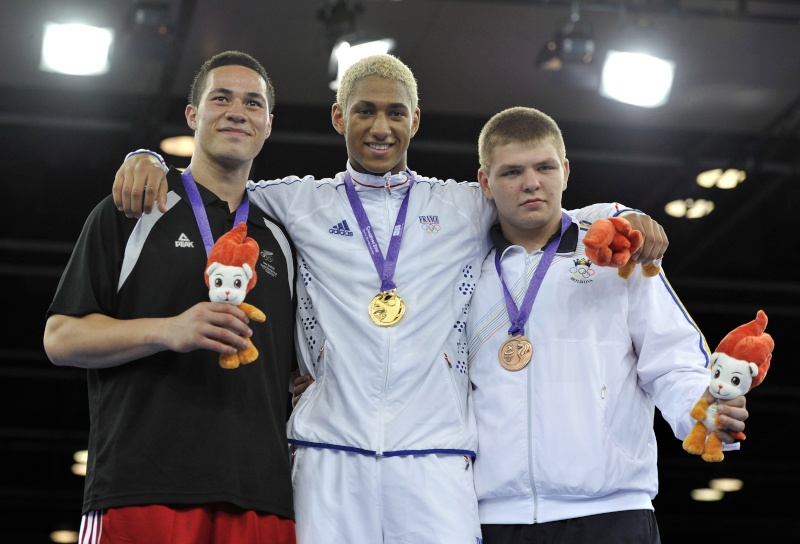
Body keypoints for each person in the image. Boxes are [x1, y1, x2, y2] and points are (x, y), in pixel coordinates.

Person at [111, 54, 669, 543]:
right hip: (330, 455)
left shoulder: (461, 206)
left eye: (395, 112)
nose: (381, 126)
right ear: (339, 118)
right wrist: (150, 158)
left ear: (415, 121)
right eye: (364, 111)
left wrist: (616, 216)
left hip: (436, 460)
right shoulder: (297, 202)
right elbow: (215, 184)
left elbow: (542, 205)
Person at [43, 51, 297, 543]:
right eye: (220, 98)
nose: (237, 111)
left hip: (261, 496)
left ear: (267, 124)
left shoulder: (281, 238)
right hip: (143, 485)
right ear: (192, 115)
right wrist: (170, 329)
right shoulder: (134, 208)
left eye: (253, 103)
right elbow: (60, 337)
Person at [466, 106, 748, 543]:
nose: (531, 183)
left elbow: (671, 361)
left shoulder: (617, 255)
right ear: (485, 182)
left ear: (565, 170)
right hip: (492, 517)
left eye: (544, 167)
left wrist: (703, 410)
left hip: (612, 510)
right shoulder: (463, 272)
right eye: (511, 172)